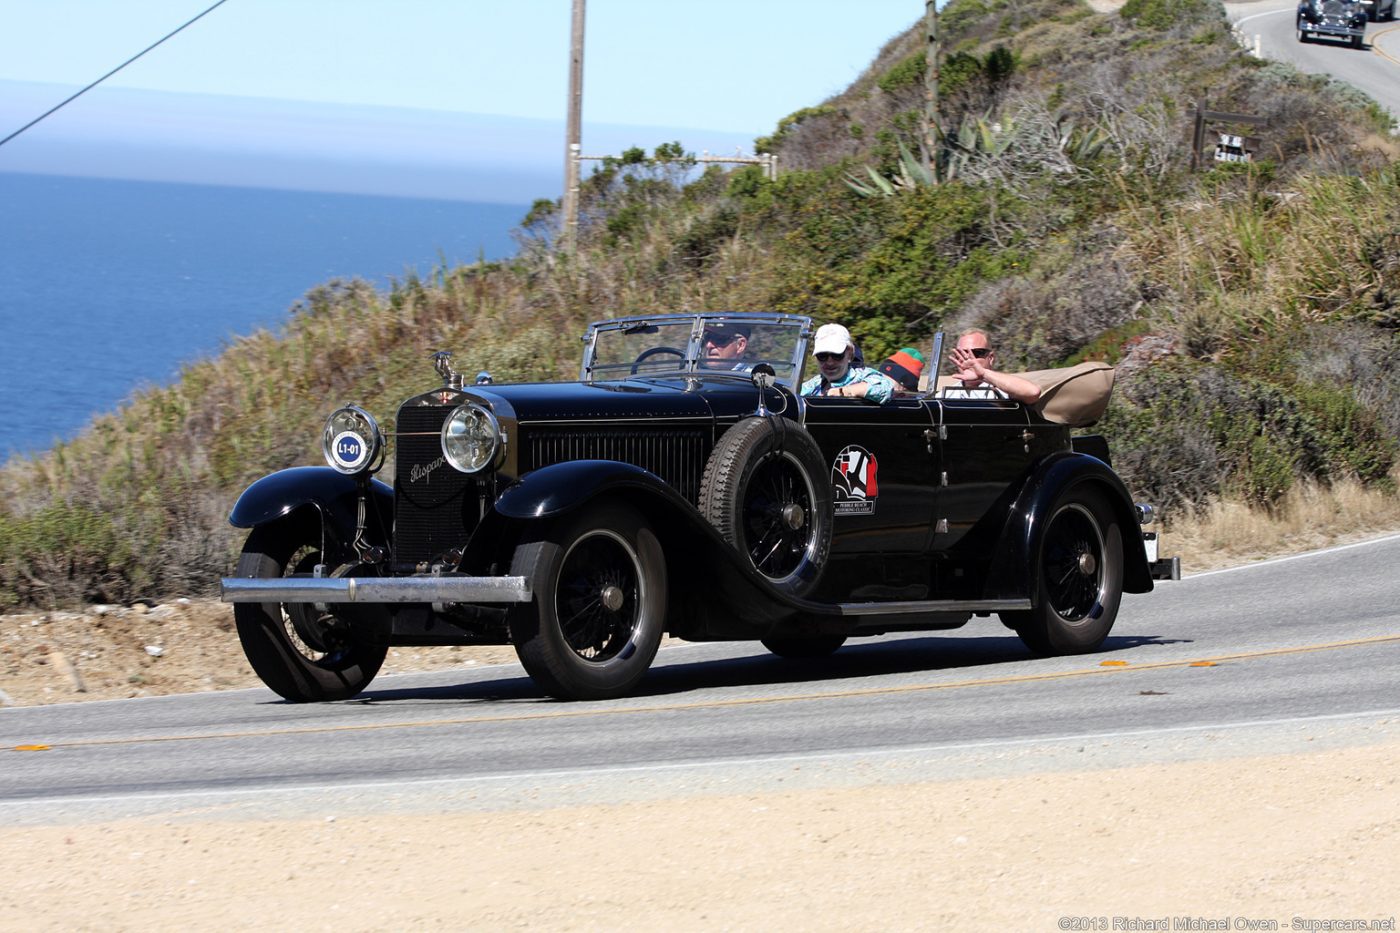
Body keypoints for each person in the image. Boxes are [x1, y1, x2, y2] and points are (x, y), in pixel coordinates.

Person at [800, 323, 896, 402]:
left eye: (837, 355)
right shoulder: (816, 383)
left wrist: (844, 391)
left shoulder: (863, 376)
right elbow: (794, 393)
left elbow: (885, 388)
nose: (829, 362)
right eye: (822, 356)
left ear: (849, 354)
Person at [944, 330, 1042, 404]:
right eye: (962, 353)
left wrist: (983, 374)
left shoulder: (1005, 389)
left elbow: (1032, 393)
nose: (969, 359)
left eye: (977, 353)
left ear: (990, 358)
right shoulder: (945, 395)